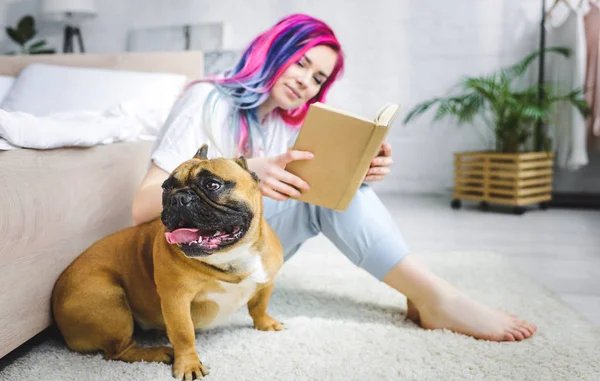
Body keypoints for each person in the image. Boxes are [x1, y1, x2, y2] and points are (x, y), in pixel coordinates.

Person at [132, 13, 537, 342]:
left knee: (343, 194)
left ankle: (425, 293)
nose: (305, 81)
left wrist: (360, 173)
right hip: (192, 247)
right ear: (273, 50)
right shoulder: (206, 100)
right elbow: (141, 207)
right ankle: (436, 298)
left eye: (318, 79)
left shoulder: (288, 126)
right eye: (301, 63)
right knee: (322, 200)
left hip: (247, 244)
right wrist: (252, 169)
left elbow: (310, 194)